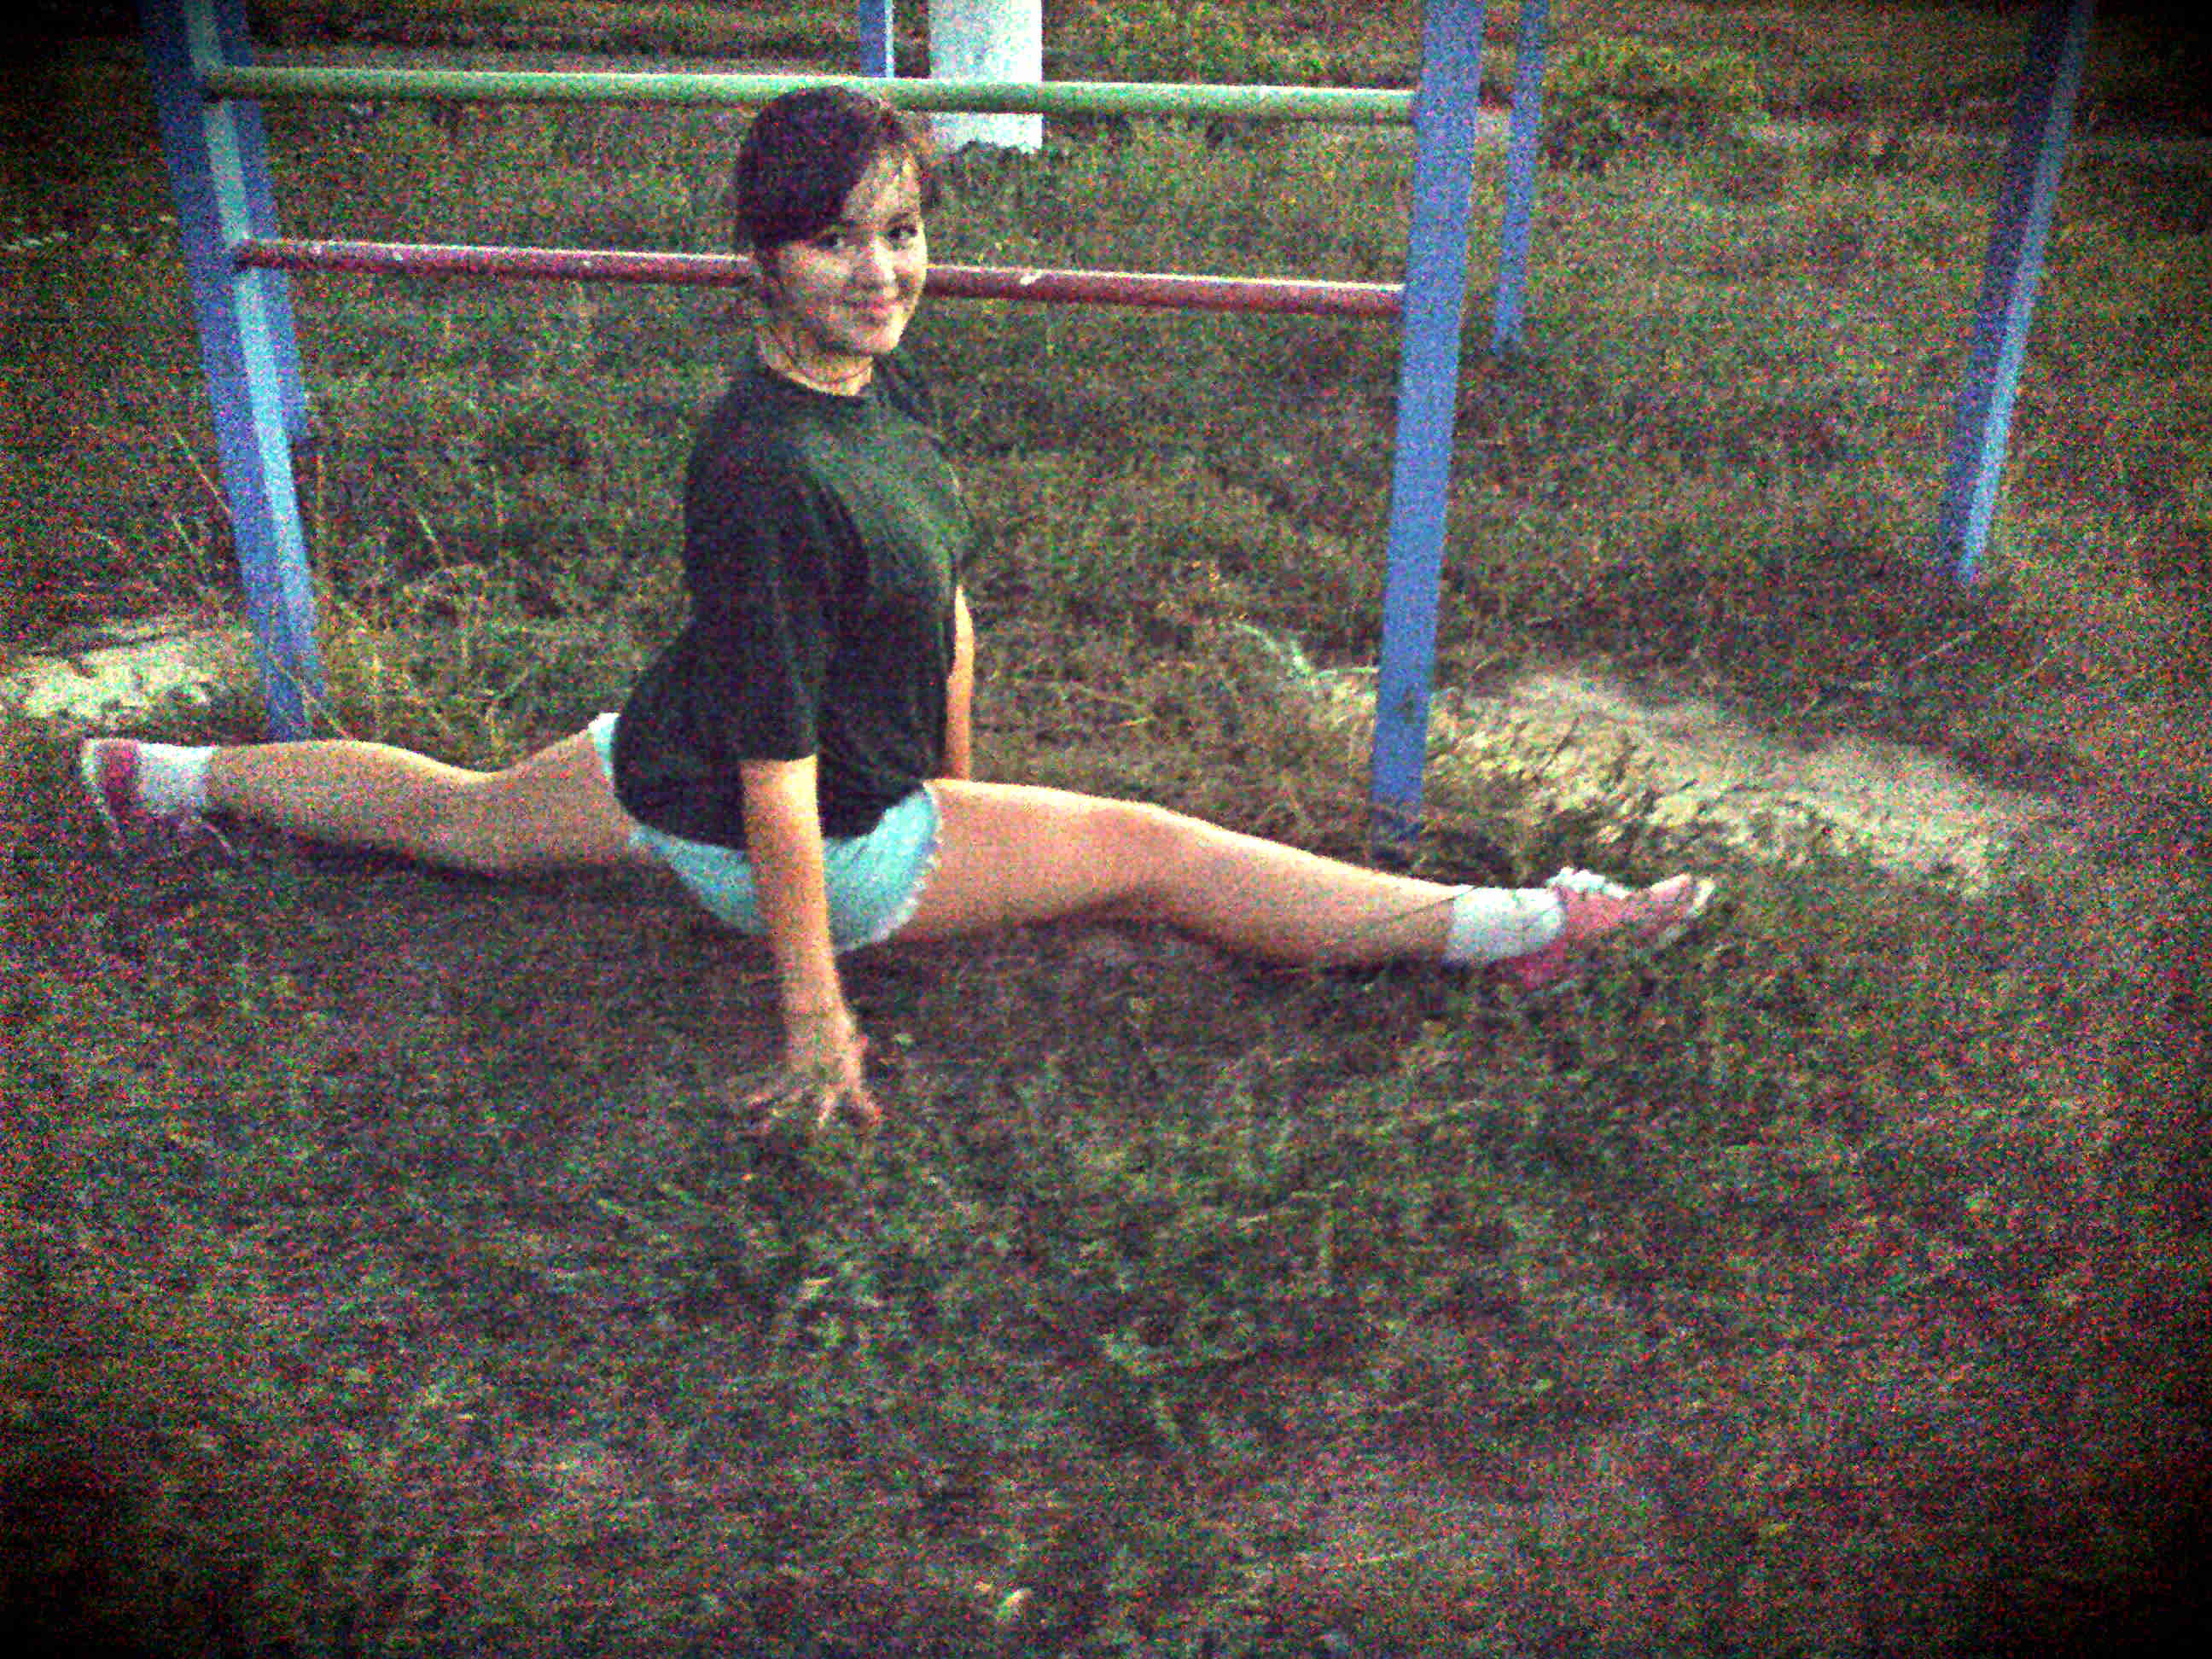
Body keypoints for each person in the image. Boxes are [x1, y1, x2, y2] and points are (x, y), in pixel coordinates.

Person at [80, 87, 1713, 1132]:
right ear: (761, 261)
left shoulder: (869, 392)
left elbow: (941, 614)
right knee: (1157, 850)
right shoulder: (765, 473)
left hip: (655, 764)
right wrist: (818, 1014)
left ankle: (158, 776)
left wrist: (964, 788)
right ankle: (1525, 931)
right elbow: (783, 781)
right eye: (832, 241)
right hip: (795, 835)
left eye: (902, 232)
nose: (879, 272)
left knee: (453, 817)